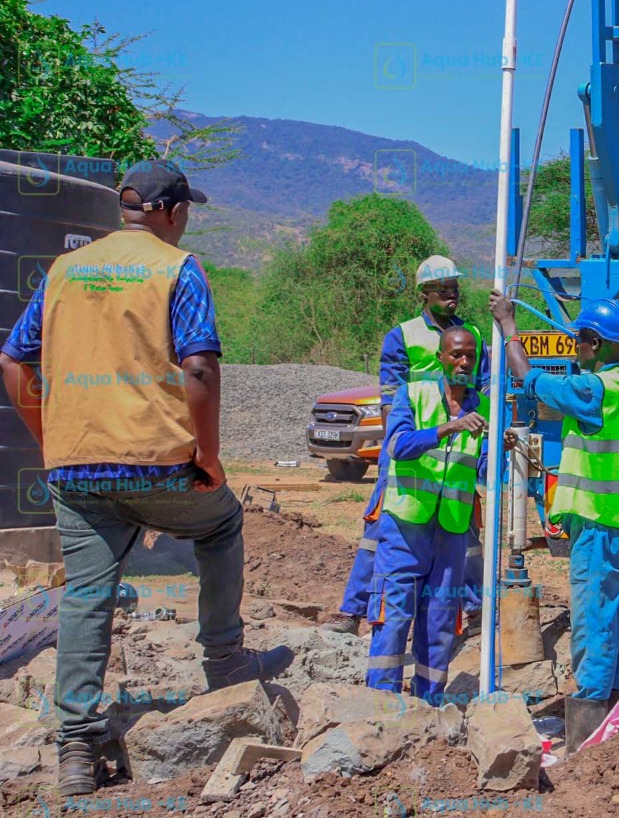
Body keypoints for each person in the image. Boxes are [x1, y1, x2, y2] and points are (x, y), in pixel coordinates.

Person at [0, 160, 293, 798]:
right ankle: (224, 662)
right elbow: (201, 370)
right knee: (222, 525)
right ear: (170, 211)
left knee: (85, 594)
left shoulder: (63, 270)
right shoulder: (175, 269)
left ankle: (75, 746)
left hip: (76, 469)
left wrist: (51, 438)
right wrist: (209, 457)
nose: (186, 221)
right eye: (186, 211)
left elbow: (13, 358)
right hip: (158, 466)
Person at [488, 288, 619, 753]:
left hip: (598, 528)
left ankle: (586, 732)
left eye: (580, 339)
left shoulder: (594, 389)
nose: (575, 346)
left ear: (596, 342)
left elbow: (530, 381)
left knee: (593, 624)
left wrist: (509, 327)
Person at [325, 256, 488, 636]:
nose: (451, 295)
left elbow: (484, 390)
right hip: (412, 448)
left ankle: (477, 609)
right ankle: (354, 610)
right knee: (381, 528)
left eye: (455, 288)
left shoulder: (473, 336)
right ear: (424, 293)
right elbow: (389, 397)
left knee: (464, 530)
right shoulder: (403, 335)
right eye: (443, 289)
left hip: (458, 449)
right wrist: (393, 451)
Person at [364, 326, 488, 703]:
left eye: (470, 355)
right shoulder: (413, 395)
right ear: (440, 358)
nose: (464, 362)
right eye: (456, 355)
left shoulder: (483, 408)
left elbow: (482, 469)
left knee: (439, 621)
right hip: (406, 528)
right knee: (394, 613)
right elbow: (398, 445)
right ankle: (381, 703)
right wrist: (448, 427)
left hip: (451, 528)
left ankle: (429, 702)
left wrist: (502, 451)